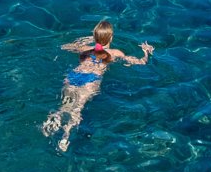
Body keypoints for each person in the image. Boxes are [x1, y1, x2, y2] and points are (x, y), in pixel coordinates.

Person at [41, 20, 153, 151]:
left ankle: (53, 121)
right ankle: (65, 136)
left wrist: (83, 41)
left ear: (94, 37)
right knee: (77, 108)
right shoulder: (115, 53)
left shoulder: (84, 49)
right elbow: (140, 62)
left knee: (65, 105)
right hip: (91, 80)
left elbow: (64, 46)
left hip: (74, 76)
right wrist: (147, 52)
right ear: (111, 37)